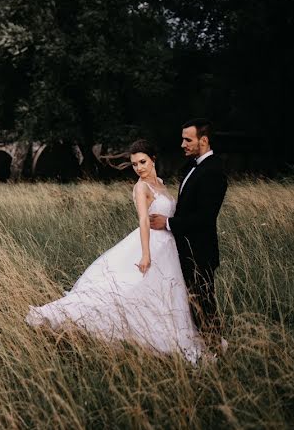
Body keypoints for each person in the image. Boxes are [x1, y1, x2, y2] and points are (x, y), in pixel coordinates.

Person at [26, 139, 205, 364]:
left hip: (168, 247)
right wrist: (146, 254)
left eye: (142, 162)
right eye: (134, 164)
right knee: (127, 290)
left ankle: (168, 339)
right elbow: (143, 219)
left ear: (153, 160)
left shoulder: (159, 182)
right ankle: (68, 319)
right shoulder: (141, 187)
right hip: (151, 243)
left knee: (163, 294)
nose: (139, 168)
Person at [149, 118, 228, 354]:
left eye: (188, 139)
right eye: (182, 139)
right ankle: (202, 344)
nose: (182, 144)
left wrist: (168, 222)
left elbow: (205, 217)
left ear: (203, 140)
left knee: (203, 302)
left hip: (200, 251)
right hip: (184, 250)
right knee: (191, 302)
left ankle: (214, 348)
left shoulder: (213, 172)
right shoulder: (193, 167)